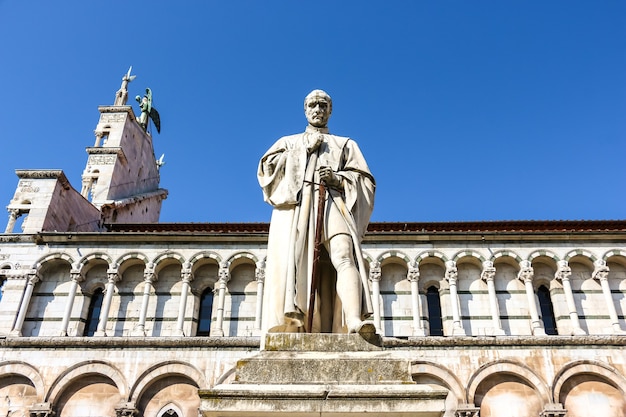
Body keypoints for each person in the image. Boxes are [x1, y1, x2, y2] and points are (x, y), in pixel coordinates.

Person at [258, 89, 376, 334]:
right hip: (298, 208)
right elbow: (266, 173)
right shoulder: (287, 142)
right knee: (297, 265)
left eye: (323, 105)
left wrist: (338, 179)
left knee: (344, 255)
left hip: (333, 200)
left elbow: (365, 180)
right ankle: (296, 323)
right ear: (305, 110)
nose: (318, 110)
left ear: (330, 111)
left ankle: (353, 319)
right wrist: (302, 153)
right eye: (313, 105)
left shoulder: (345, 144)